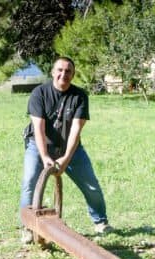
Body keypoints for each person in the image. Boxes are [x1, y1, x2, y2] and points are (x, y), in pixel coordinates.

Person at [19, 56, 110, 243]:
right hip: (39, 145)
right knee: (30, 182)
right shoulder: (39, 93)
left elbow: (76, 129)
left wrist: (66, 158)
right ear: (53, 72)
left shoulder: (80, 96)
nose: (63, 74)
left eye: (68, 71)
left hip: (69, 147)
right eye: (60, 70)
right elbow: (39, 129)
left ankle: (101, 222)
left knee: (91, 185)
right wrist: (44, 156)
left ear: (73, 74)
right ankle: (27, 228)